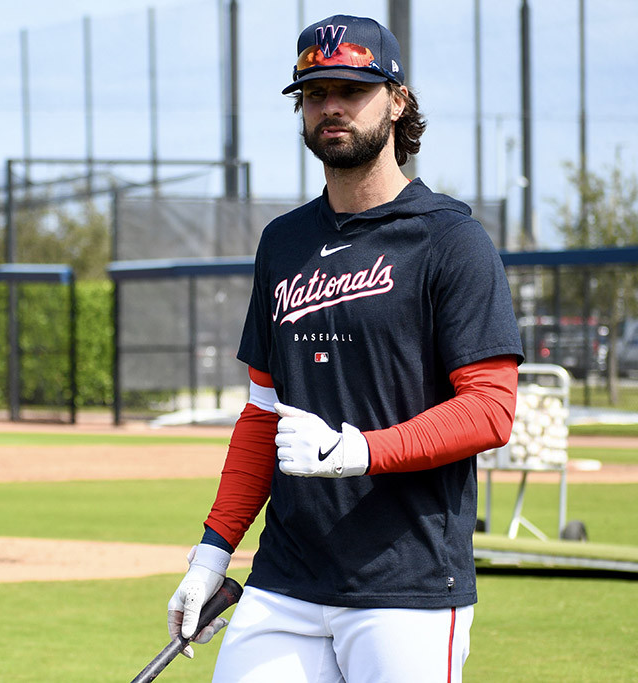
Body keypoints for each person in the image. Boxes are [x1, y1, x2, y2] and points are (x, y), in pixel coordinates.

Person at [165, 14, 524, 683]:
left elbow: (490, 410)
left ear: (396, 99)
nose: (330, 106)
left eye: (351, 90)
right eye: (314, 92)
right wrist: (211, 553)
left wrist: (362, 449)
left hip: (407, 584)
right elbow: (262, 416)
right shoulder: (283, 242)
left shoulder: (451, 240)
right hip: (286, 578)